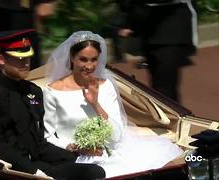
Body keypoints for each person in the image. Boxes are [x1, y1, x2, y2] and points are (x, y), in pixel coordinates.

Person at [0, 29, 106, 180]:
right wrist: (32, 171)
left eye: (28, 57)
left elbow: (38, 142)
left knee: (95, 170)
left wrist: (74, 156)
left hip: (38, 164)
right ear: (1, 59)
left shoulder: (33, 91)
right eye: (19, 58)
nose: (26, 63)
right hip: (10, 171)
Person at [43, 31, 184, 178]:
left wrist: (95, 104)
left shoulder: (106, 86)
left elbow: (117, 134)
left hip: (114, 152)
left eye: (94, 60)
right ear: (72, 58)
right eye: (83, 60)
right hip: (77, 158)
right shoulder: (52, 91)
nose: (89, 66)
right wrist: (74, 147)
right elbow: (48, 136)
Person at [113, 0, 198, 102]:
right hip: (149, 28)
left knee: (164, 88)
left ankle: (170, 115)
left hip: (172, 27)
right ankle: (174, 114)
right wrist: (127, 20)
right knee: (159, 86)